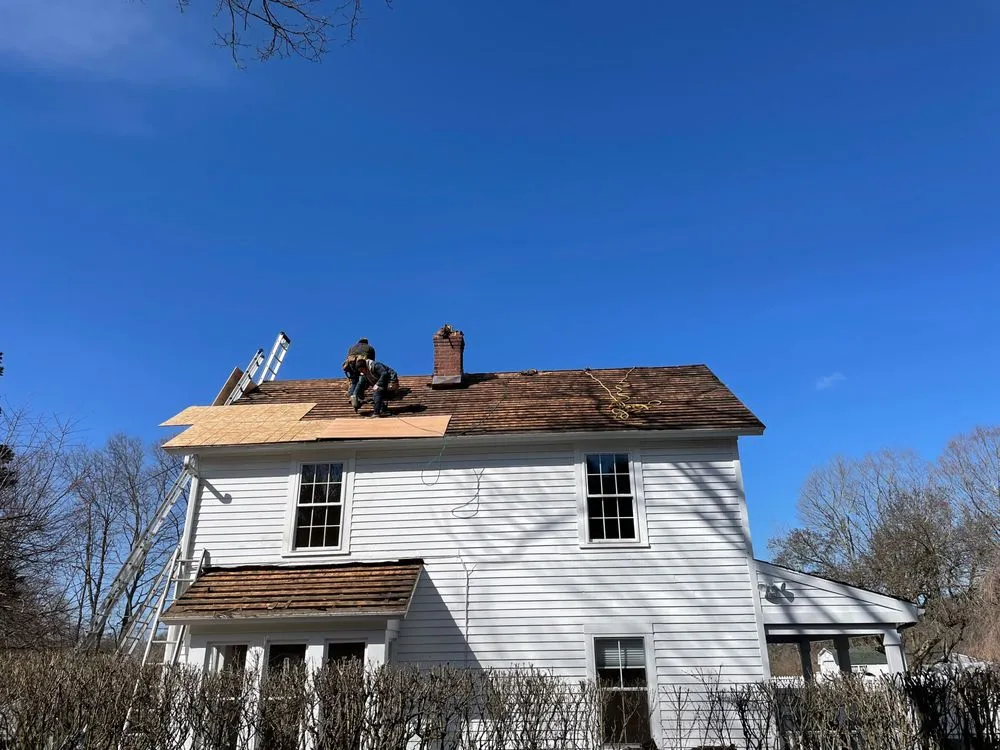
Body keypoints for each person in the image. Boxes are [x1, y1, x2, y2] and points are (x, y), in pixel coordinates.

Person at [343, 338, 376, 411]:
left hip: (351, 365)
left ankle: (351, 395)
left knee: (354, 381)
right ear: (366, 342)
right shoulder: (370, 348)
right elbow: (372, 361)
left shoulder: (352, 347)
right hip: (361, 365)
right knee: (361, 381)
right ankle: (358, 396)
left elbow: (347, 357)